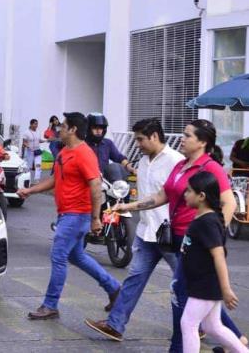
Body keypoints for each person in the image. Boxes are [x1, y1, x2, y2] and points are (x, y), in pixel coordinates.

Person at [103, 119, 245, 352]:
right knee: (203, 309)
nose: (182, 138)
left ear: (202, 142)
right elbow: (162, 196)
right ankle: (238, 342)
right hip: (178, 239)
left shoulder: (210, 168)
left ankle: (180, 347)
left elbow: (228, 202)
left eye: (188, 135)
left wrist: (214, 234)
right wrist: (127, 207)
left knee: (185, 301)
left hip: (197, 244)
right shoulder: (181, 166)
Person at [85, 118, 184, 341]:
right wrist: (125, 206)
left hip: (169, 234)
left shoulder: (176, 161)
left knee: (187, 283)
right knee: (134, 279)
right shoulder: (144, 162)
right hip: (146, 232)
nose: (137, 144)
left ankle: (211, 326)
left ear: (154, 137)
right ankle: (115, 325)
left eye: (140, 139)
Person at [17, 112, 121, 320]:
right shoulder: (65, 152)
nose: (59, 129)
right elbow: (55, 179)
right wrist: (31, 190)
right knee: (77, 256)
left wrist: (95, 218)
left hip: (77, 215)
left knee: (58, 257)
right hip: (67, 214)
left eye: (63, 126)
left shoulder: (84, 154)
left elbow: (95, 185)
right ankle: (115, 289)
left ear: (73, 129)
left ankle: (50, 304)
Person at [180, 171, 248, 353]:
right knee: (212, 326)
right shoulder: (203, 218)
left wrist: (226, 289)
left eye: (188, 191)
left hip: (206, 284)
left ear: (201, 196)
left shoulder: (207, 222)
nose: (185, 194)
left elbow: (219, 256)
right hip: (202, 282)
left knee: (188, 324)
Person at [86, 112, 136, 181]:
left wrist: (128, 166)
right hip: (87, 180)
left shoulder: (107, 143)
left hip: (105, 181)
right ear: (88, 129)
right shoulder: (82, 145)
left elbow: (118, 157)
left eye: (101, 128)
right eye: (95, 128)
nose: (98, 130)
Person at [22, 119, 46, 183]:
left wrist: (45, 140)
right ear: (31, 124)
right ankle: (27, 180)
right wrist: (28, 146)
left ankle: (37, 180)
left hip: (37, 151)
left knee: (38, 165)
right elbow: (24, 142)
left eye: (37, 124)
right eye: (35, 124)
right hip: (30, 152)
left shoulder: (38, 132)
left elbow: (39, 140)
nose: (36, 125)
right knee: (28, 167)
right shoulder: (26, 132)